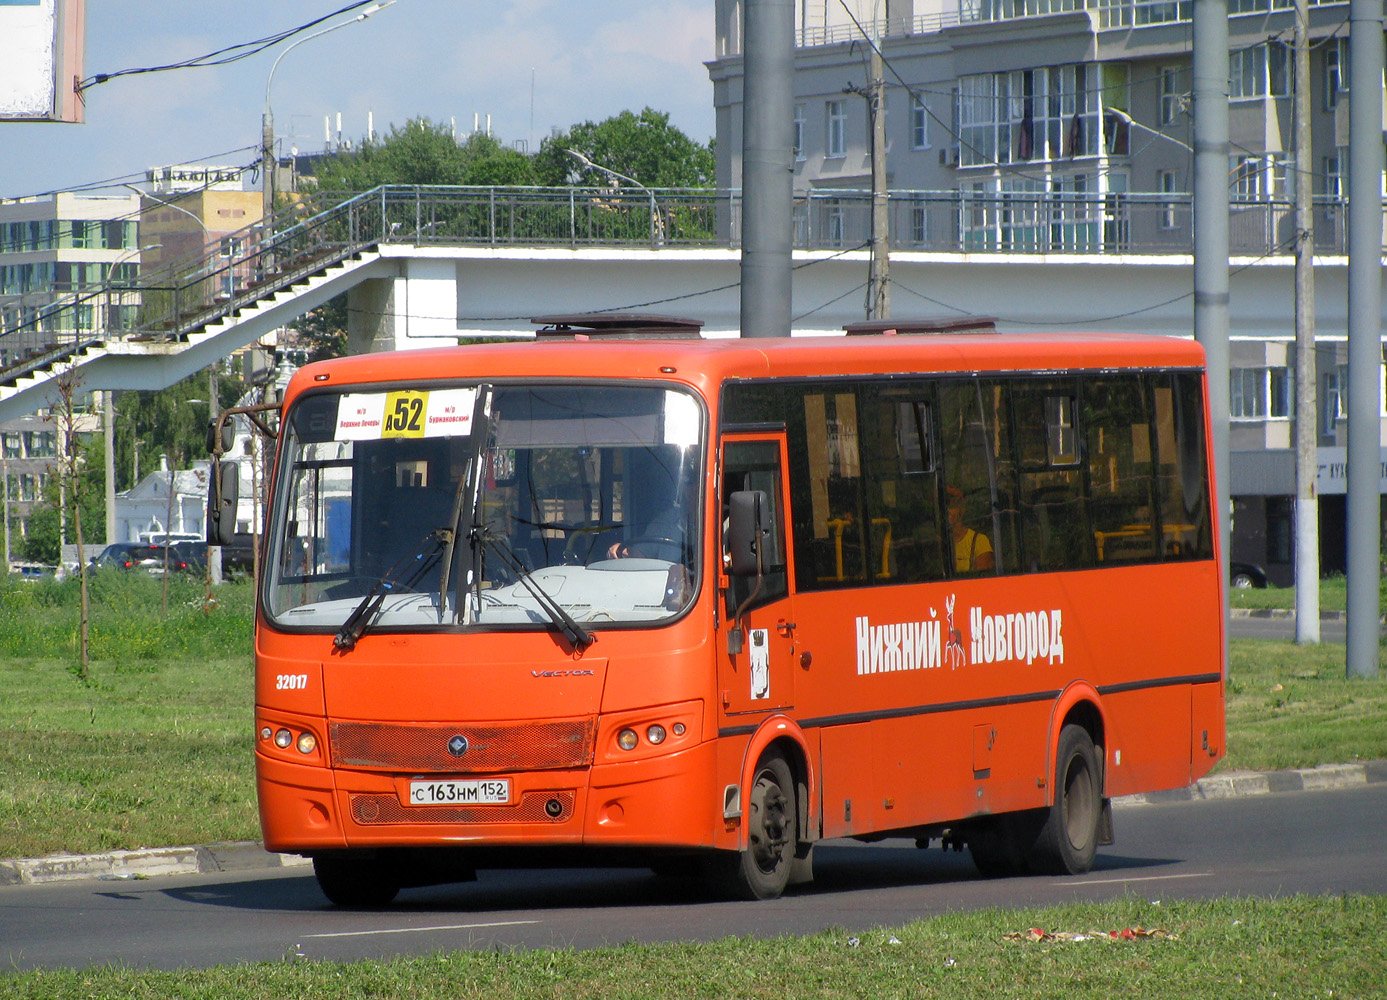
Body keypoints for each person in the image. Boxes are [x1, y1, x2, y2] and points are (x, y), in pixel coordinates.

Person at [947, 485, 993, 572]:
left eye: (951, 506)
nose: (947, 511)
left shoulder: (979, 542)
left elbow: (984, 580)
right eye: (942, 507)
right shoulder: (935, 544)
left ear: (962, 509)